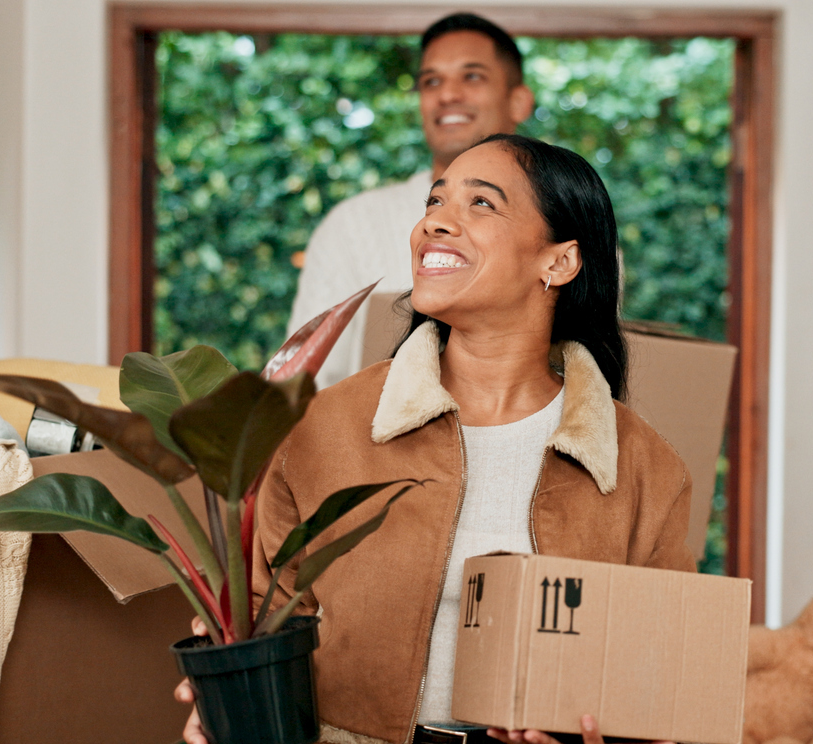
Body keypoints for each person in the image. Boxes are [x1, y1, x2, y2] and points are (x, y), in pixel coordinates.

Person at [179, 135, 693, 744]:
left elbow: (658, 677)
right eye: (435, 201)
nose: (435, 224)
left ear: (558, 262)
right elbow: (265, 608)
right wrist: (225, 694)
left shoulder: (642, 466)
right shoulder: (325, 426)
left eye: (481, 204)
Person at [286, 13, 536, 388]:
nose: (447, 94)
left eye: (472, 76)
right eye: (431, 81)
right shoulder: (352, 225)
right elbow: (301, 383)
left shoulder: (566, 227)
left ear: (518, 101)